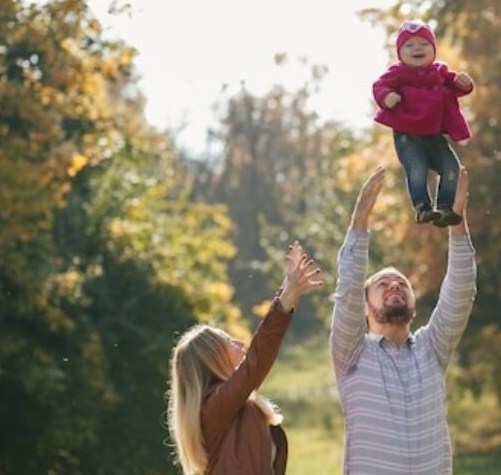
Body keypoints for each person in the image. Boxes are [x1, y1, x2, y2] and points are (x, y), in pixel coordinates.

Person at [330, 165, 477, 475]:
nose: (395, 285)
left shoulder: (432, 349)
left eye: (402, 284)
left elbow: (461, 293)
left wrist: (457, 220)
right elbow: (346, 297)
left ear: (412, 302)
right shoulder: (351, 354)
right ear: (366, 309)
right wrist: (358, 223)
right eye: (383, 285)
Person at [167, 241, 324, 475]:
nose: (239, 343)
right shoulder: (213, 409)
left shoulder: (236, 405)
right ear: (213, 359)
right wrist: (286, 300)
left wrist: (287, 288)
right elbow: (255, 363)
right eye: (228, 342)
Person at [372, 20, 475, 226]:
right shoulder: (398, 73)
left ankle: (445, 207)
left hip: (433, 134)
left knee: (452, 168)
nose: (417, 48)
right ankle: (422, 207)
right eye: (409, 45)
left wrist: (464, 84)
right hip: (407, 134)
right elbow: (379, 85)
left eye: (423, 44)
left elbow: (455, 86)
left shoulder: (439, 71)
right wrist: (387, 96)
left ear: (433, 50)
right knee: (416, 167)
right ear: (400, 54)